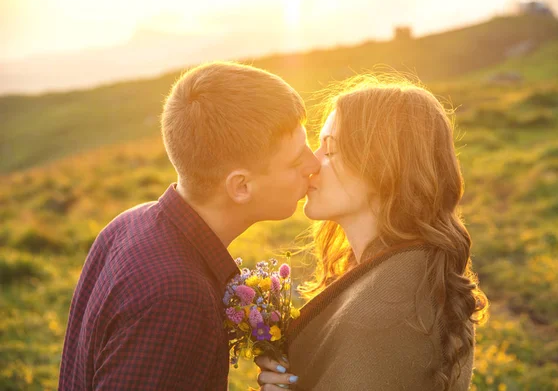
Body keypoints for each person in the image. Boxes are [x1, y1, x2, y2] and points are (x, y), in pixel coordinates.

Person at [58, 61, 320, 390]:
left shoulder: (128, 223)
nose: (314, 164)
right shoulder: (178, 300)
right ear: (240, 187)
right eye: (297, 160)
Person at [255, 75, 489, 390]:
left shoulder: (387, 309)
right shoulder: (407, 272)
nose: (312, 162)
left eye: (331, 149)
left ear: (383, 167)